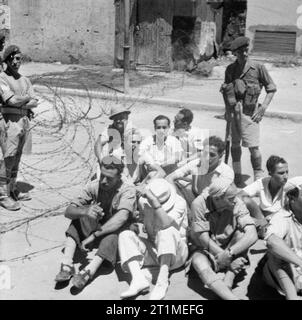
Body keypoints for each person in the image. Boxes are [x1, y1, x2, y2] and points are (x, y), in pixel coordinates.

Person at [55, 156, 136, 290]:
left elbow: (121, 218)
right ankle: (67, 264)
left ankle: (89, 271)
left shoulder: (127, 190)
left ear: (119, 177)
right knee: (78, 220)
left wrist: (94, 236)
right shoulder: (94, 185)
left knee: (114, 235)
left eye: (109, 178)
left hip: (119, 230)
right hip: (100, 225)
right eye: (102, 176)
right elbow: (68, 212)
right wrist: (85, 211)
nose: (104, 181)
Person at [118, 178, 188, 300]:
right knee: (125, 235)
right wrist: (139, 217)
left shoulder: (179, 202)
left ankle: (162, 281)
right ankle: (138, 279)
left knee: (167, 230)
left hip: (176, 255)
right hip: (154, 250)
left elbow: (166, 223)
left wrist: (154, 201)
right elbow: (144, 222)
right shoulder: (143, 202)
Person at [222, 36, 277, 187]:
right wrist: (227, 111)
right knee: (234, 145)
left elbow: (271, 89)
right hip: (234, 112)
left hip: (251, 113)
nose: (245, 54)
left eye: (246, 50)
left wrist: (263, 108)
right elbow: (226, 91)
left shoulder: (258, 68)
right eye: (240, 52)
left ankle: (258, 176)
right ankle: (237, 174)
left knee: (253, 147)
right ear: (235, 53)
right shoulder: (230, 69)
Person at [190, 178, 258, 300]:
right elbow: (203, 239)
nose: (234, 201)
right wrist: (224, 256)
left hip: (231, 248)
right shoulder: (199, 204)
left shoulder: (237, 202)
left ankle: (228, 280)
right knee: (198, 262)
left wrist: (229, 254)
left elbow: (252, 234)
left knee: (243, 234)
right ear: (217, 198)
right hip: (207, 249)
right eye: (231, 198)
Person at [0, 45, 39, 210]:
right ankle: (3, 194)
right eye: (15, 59)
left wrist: (22, 99)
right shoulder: (2, 78)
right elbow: (11, 101)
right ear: (8, 59)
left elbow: (35, 101)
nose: (17, 62)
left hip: (24, 121)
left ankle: (13, 188)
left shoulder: (25, 80)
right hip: (10, 122)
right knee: (8, 158)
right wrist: (26, 99)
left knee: (17, 158)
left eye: (19, 59)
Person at [263, 176, 302, 300]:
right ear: (291, 198)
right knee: (275, 256)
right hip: (289, 273)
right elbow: (272, 242)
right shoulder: (281, 217)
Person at [166, 136, 234, 212]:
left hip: (214, 205)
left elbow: (209, 196)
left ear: (220, 155)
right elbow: (169, 178)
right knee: (175, 183)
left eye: (212, 155)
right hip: (196, 198)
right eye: (205, 153)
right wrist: (182, 203)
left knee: (230, 190)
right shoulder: (196, 163)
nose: (207, 158)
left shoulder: (226, 172)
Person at [238, 155, 289, 237]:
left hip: (279, 219)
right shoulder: (262, 182)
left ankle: (258, 229)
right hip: (260, 216)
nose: (286, 176)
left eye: (287, 172)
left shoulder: (289, 187)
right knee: (245, 200)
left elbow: (288, 211)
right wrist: (261, 219)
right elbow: (240, 196)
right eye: (281, 173)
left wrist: (267, 219)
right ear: (270, 173)